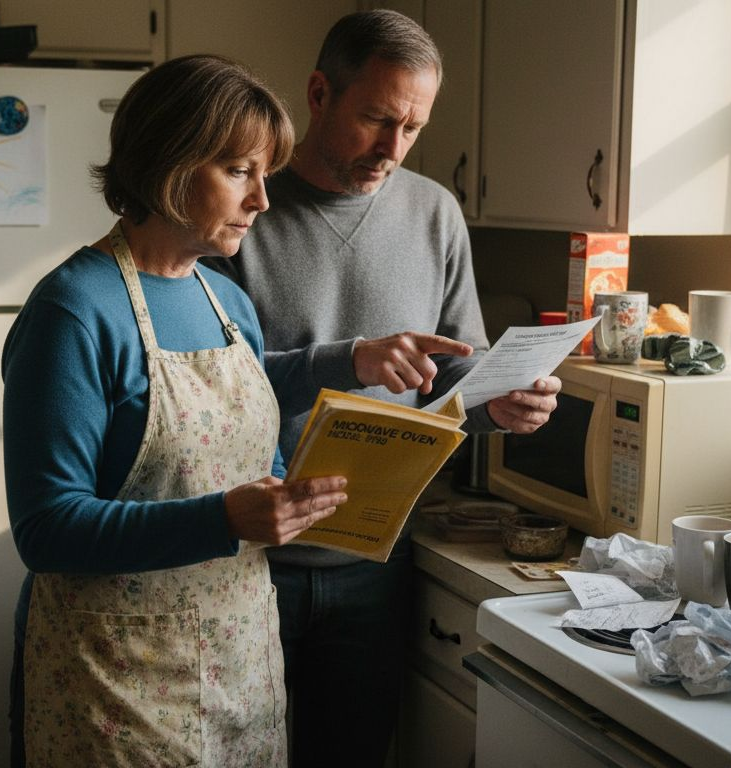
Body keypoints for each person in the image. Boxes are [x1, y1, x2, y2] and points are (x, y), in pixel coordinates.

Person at [205, 10, 563, 767]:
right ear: (319, 92)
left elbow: (455, 370)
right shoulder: (241, 212)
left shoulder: (435, 212)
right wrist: (350, 358)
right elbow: (207, 389)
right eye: (376, 118)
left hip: (376, 559)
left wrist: (499, 404)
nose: (391, 148)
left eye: (412, 127)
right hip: (248, 557)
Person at [0, 54, 350, 767]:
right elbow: (46, 527)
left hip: (243, 667)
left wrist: (294, 497)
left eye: (264, 175)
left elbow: (258, 465)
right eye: (237, 171)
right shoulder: (74, 309)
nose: (261, 201)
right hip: (116, 682)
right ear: (168, 162)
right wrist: (224, 518)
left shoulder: (228, 304)